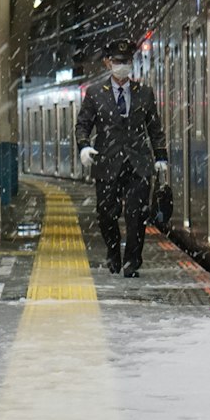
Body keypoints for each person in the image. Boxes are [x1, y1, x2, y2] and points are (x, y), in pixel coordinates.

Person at [75, 39, 168, 276]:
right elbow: (83, 124)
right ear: (108, 63)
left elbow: (155, 128)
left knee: (137, 215)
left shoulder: (145, 93)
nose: (122, 66)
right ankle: (113, 252)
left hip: (138, 163)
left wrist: (160, 156)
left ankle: (132, 262)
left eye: (126, 62)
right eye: (117, 61)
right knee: (106, 213)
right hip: (106, 162)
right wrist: (84, 147)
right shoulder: (95, 94)